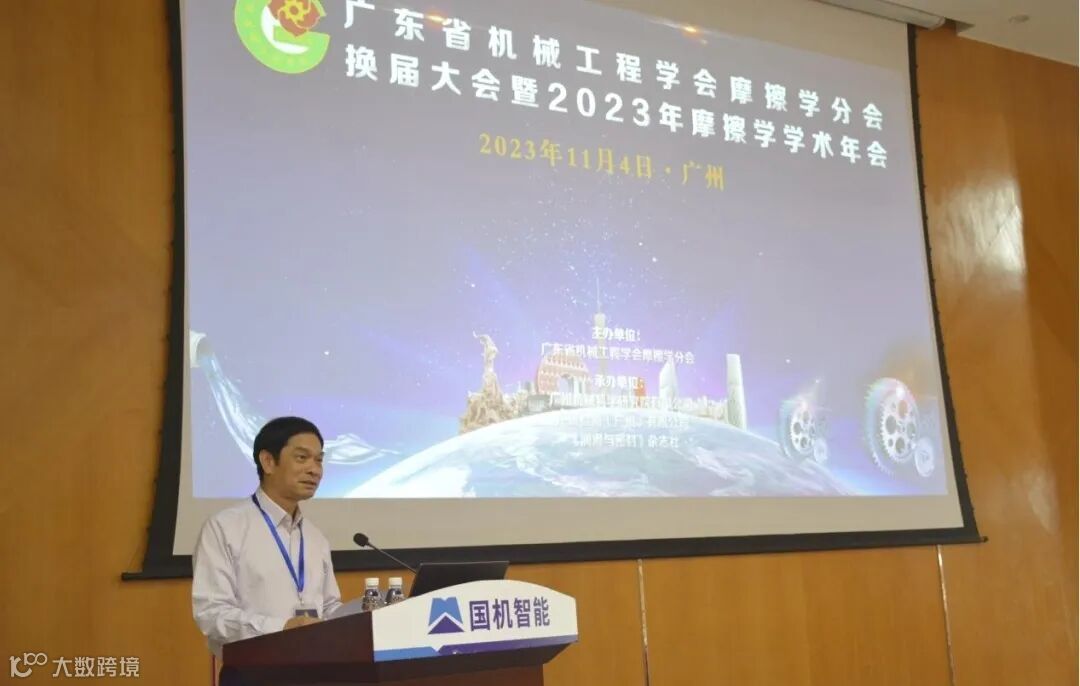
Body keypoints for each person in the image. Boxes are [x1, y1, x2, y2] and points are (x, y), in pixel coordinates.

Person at [192, 416, 342, 665]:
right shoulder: (225, 527)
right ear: (268, 462)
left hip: (316, 670)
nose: (314, 470)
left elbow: (328, 606)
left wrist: (361, 617)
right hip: (253, 671)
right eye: (302, 458)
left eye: (319, 460)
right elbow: (212, 613)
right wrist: (282, 628)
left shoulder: (316, 537)